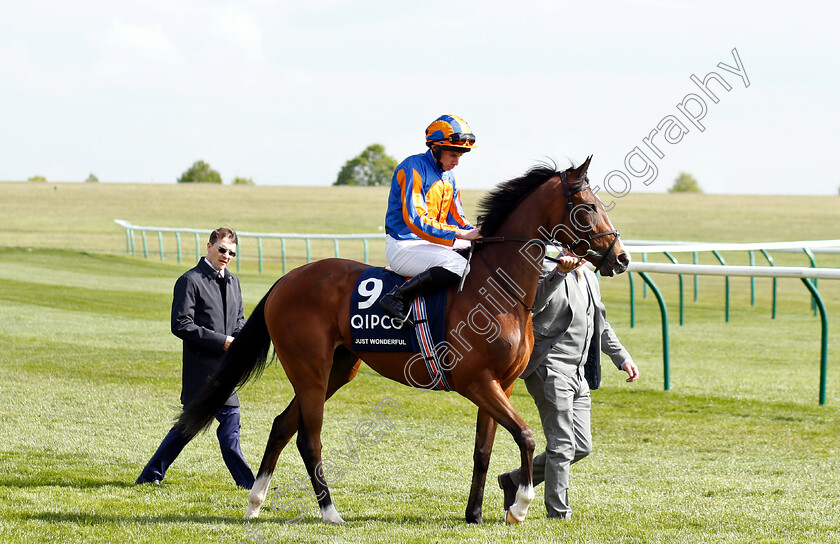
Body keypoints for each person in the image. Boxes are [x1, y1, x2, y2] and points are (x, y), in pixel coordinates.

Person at [497, 251, 639, 519]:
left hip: (578, 371)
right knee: (562, 445)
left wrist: (622, 357)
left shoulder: (589, 275)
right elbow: (534, 304)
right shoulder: (544, 268)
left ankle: (515, 480)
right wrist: (559, 273)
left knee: (581, 446)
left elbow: (600, 324)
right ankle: (558, 514)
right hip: (549, 367)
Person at [136, 227, 255, 489]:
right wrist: (221, 341)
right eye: (222, 249)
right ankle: (249, 484)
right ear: (209, 246)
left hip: (226, 370)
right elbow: (181, 324)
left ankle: (150, 475)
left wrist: (240, 341)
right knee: (190, 428)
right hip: (201, 372)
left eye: (232, 253)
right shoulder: (190, 280)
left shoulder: (233, 282)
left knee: (220, 427)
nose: (226, 256)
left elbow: (239, 321)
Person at [379, 114, 482, 323]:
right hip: (404, 245)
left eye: (460, 156)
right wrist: (461, 234)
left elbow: (458, 218)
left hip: (431, 244)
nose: (456, 162)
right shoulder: (412, 167)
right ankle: (399, 296)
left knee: (480, 255)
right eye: (453, 154)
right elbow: (416, 221)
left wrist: (480, 234)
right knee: (459, 265)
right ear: (436, 149)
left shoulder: (449, 176)